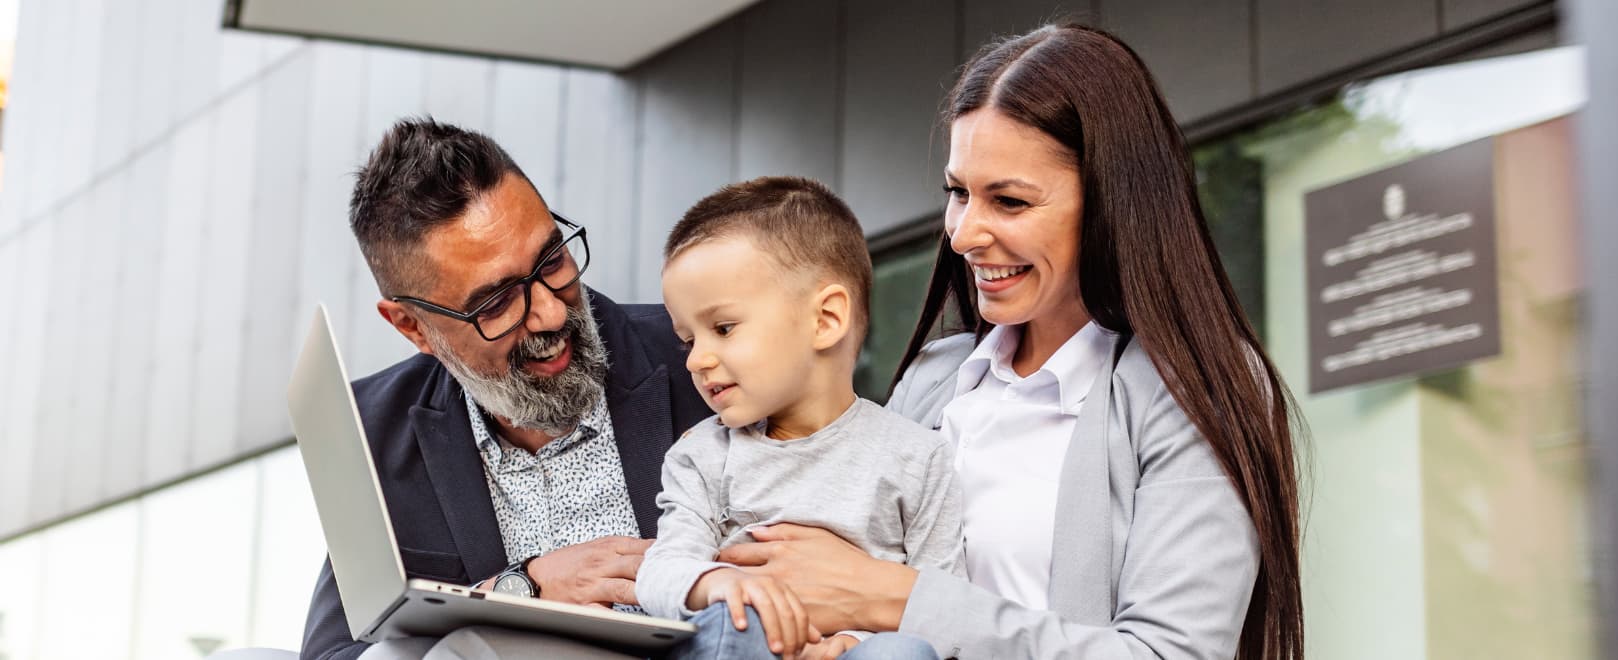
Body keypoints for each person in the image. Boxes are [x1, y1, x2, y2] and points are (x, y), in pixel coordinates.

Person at [715, 23, 1306, 660]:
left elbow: (1171, 654)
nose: (964, 234)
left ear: (1113, 203)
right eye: (959, 193)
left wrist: (894, 597)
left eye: (1010, 201)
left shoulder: (1191, 391)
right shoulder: (936, 380)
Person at [299, 118, 711, 660]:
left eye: (553, 260)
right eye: (495, 304)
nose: (550, 311)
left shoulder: (701, 360)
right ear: (412, 327)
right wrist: (523, 589)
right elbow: (336, 653)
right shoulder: (373, 429)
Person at [642, 177, 957, 660]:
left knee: (903, 654)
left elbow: (945, 603)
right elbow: (660, 572)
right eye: (689, 339)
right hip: (749, 645)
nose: (696, 360)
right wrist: (717, 582)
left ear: (825, 320)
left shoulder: (920, 458)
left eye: (722, 328)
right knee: (730, 626)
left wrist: (854, 642)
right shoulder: (701, 456)